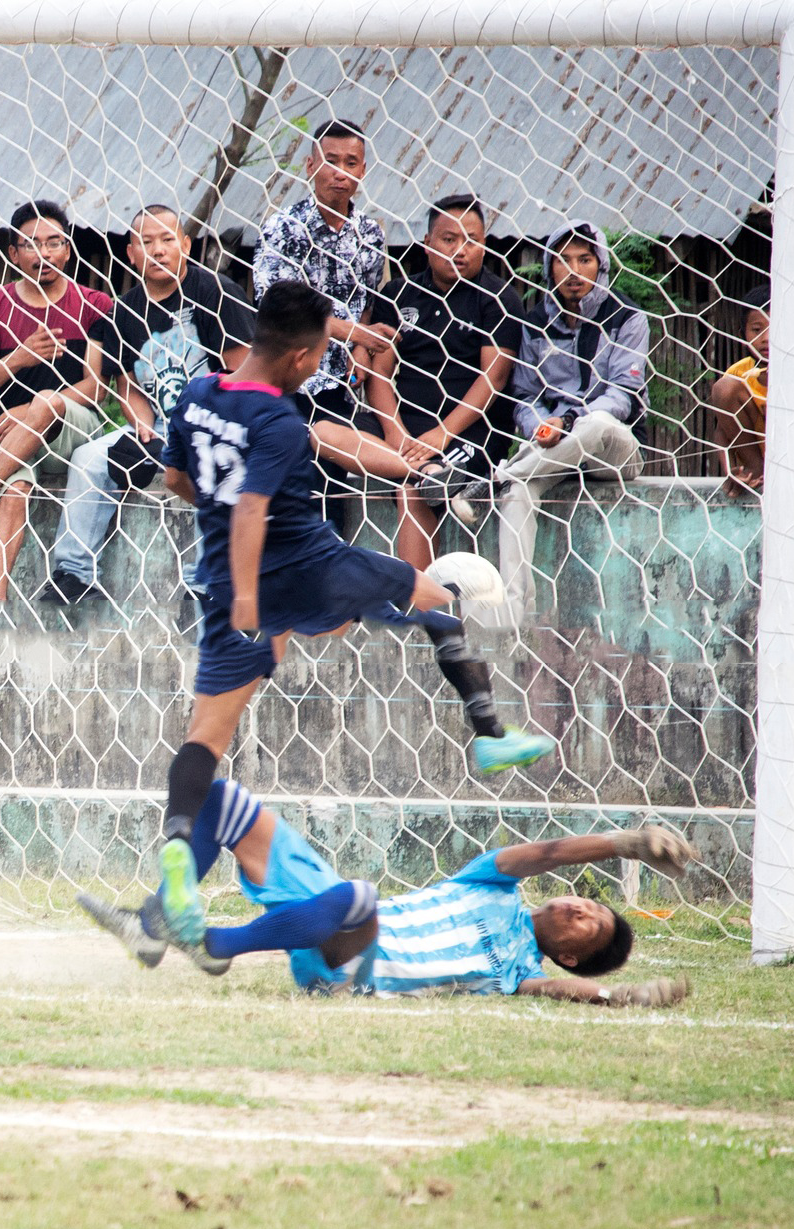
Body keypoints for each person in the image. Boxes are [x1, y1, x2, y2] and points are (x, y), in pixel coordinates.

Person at [155, 281, 555, 939]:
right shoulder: (279, 421)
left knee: (205, 738)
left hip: (223, 585)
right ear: (304, 360)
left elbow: (176, 481)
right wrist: (260, 603)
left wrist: (244, 595)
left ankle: (175, 847)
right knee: (438, 599)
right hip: (307, 570)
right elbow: (255, 507)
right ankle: (490, 735)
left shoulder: (199, 394)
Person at [80, 777, 694, 1010]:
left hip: (353, 959)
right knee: (220, 799)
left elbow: (558, 991)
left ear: (573, 955)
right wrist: (625, 842)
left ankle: (216, 944)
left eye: (590, 924)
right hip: (330, 908)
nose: (579, 907)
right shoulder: (490, 884)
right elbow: (544, 854)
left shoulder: (520, 971)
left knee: (360, 897)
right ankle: (155, 923)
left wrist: (616, 995)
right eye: (586, 902)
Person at [44, 204, 254, 604]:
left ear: (186, 246)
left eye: (167, 239)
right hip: (160, 428)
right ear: (131, 253)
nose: (158, 250)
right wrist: (142, 425)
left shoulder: (215, 291)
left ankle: (206, 584)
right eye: (146, 241)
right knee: (90, 456)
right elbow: (127, 386)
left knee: (215, 462)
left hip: (220, 421)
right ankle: (73, 573)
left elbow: (243, 373)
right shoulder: (124, 310)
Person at [0, 200, 116, 601]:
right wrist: (17, 359)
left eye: (54, 243)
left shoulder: (94, 305)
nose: (44, 253)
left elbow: (96, 388)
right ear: (14, 253)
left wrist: (35, 407)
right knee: (15, 489)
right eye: (32, 244)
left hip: (74, 430)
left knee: (46, 401)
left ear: (68, 249)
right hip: (8, 435)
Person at [249, 118, 416, 523]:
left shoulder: (370, 235)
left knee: (328, 494)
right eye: (331, 161)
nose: (340, 173)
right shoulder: (282, 228)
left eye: (351, 163)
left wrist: (359, 346)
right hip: (286, 374)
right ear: (310, 166)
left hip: (338, 385)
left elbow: (365, 301)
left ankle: (323, 576)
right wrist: (354, 333)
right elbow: (278, 307)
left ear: (362, 170)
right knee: (281, 483)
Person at [493, 222, 650, 618]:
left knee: (595, 422)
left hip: (613, 450)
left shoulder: (627, 317)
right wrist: (540, 427)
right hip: (554, 451)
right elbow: (524, 396)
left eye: (584, 259)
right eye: (563, 260)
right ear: (549, 267)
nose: (574, 270)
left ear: (601, 265)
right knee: (518, 494)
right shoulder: (534, 323)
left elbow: (623, 396)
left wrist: (569, 420)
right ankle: (515, 614)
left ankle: (504, 472)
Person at [362, 194, 522, 568]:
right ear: (427, 243)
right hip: (406, 428)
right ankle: (427, 470)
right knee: (327, 430)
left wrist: (442, 434)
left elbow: (494, 376)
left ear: (485, 246)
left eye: (473, 240)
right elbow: (380, 373)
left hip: (472, 430)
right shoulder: (398, 293)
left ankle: (422, 610)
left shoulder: (498, 297)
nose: (461, 249)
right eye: (450, 239)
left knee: (412, 491)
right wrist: (396, 432)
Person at [708, 283, 794, 496]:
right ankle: (756, 470)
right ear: (742, 334)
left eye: (775, 327)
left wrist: (793, 387)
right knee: (723, 388)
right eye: (757, 330)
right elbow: (722, 430)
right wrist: (728, 469)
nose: (766, 338)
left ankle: (785, 473)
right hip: (759, 454)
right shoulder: (739, 372)